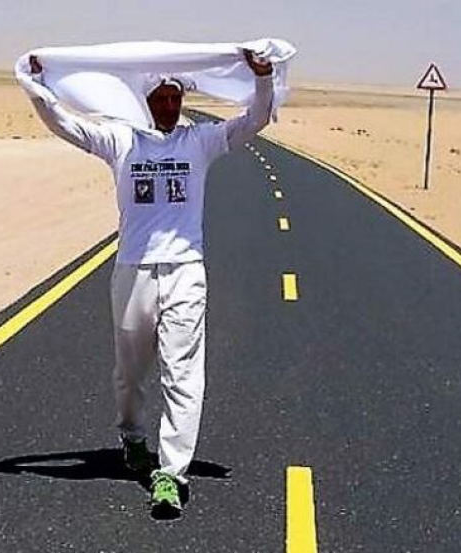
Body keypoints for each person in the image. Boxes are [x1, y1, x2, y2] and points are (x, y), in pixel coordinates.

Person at [22, 49, 273, 518]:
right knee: (130, 372)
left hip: (185, 272)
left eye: (175, 98)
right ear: (144, 100)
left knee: (183, 374)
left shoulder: (199, 142)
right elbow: (64, 124)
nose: (169, 107)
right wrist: (37, 87)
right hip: (133, 271)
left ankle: (171, 473)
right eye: (160, 98)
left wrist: (262, 78)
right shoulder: (121, 140)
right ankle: (133, 437)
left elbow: (255, 120)